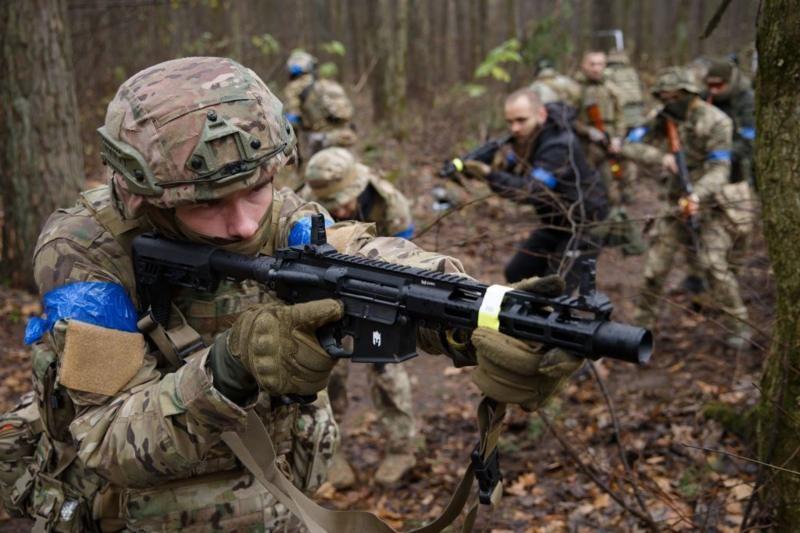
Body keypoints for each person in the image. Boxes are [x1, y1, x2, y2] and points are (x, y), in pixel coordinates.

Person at [5, 57, 581, 531]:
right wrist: (229, 366)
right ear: (142, 194)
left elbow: (372, 260)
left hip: (279, 504)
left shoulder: (285, 214)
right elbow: (109, 440)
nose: (241, 225)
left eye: (257, 189)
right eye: (207, 203)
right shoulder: (84, 250)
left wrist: (474, 316)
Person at [300, 147, 416, 487]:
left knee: (387, 368)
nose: (339, 209)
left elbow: (409, 259)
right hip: (328, 293)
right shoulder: (305, 204)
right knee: (324, 371)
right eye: (332, 202)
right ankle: (328, 452)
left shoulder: (390, 203)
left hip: (383, 291)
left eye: (346, 200)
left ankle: (402, 449)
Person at [621, 67, 751, 350]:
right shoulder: (661, 117)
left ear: (689, 94)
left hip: (710, 204)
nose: (670, 102)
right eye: (664, 97)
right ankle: (640, 329)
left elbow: (720, 169)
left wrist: (697, 195)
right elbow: (628, 145)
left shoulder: (717, 121)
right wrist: (661, 157)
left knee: (714, 267)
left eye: (675, 96)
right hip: (673, 205)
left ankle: (739, 326)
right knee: (654, 271)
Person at [460, 88, 608, 288]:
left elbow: (529, 190)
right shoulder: (529, 139)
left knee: (556, 292)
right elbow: (512, 169)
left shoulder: (559, 145)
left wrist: (489, 174)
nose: (515, 128)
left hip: (584, 226)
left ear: (541, 114)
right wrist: (478, 168)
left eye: (521, 120)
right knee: (517, 272)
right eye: (510, 122)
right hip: (555, 222)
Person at [575, 50, 645, 255]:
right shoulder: (576, 90)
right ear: (584, 65)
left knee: (611, 190)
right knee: (582, 190)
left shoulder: (612, 88)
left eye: (600, 64)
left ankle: (609, 235)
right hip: (584, 149)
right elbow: (569, 118)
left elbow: (621, 118)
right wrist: (588, 131)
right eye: (592, 64)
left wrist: (617, 138)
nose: (596, 68)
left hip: (607, 147)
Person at [282, 49, 357, 157]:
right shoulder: (323, 83)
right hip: (344, 135)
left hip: (320, 140)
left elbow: (291, 121)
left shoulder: (293, 88)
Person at [703, 58, 756, 187]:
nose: (713, 91)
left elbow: (749, 141)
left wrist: (723, 154)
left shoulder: (746, 100)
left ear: (730, 82)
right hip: (707, 153)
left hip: (738, 159)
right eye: (710, 86)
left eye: (718, 86)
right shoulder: (705, 97)